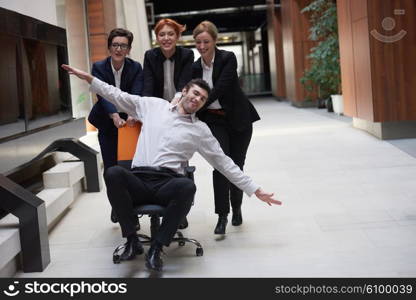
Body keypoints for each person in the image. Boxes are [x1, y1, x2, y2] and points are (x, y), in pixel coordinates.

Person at [61, 64, 282, 273]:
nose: (197, 99)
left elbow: (224, 163)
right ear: (184, 91)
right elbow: (116, 95)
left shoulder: (200, 130)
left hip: (167, 183)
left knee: (187, 186)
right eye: (195, 93)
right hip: (139, 178)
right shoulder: (153, 106)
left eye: (202, 99)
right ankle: (131, 239)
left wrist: (255, 189)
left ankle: (157, 249)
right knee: (113, 173)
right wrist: (88, 78)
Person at [192, 21, 260, 235]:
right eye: (198, 42)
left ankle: (237, 207)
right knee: (221, 166)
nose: (202, 46)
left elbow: (221, 87)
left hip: (238, 119)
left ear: (215, 41)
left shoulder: (228, 58)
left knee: (236, 166)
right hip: (213, 121)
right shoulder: (194, 67)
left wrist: (201, 100)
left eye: (206, 41)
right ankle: (222, 215)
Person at [88, 28, 144, 171]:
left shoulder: (136, 67)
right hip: (107, 120)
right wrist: (114, 115)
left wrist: (132, 113)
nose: (118, 49)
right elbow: (102, 94)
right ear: (109, 48)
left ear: (129, 49)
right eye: (115, 45)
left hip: (130, 122)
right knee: (110, 166)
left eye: (123, 46)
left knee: (131, 165)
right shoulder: (99, 67)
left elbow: (136, 93)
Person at [142, 18, 193, 102]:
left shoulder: (187, 55)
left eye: (171, 34)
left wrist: (176, 101)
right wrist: (145, 104)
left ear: (177, 36)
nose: (166, 38)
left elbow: (184, 82)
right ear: (157, 38)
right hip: (158, 103)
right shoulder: (150, 56)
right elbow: (148, 85)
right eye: (161, 35)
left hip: (180, 101)